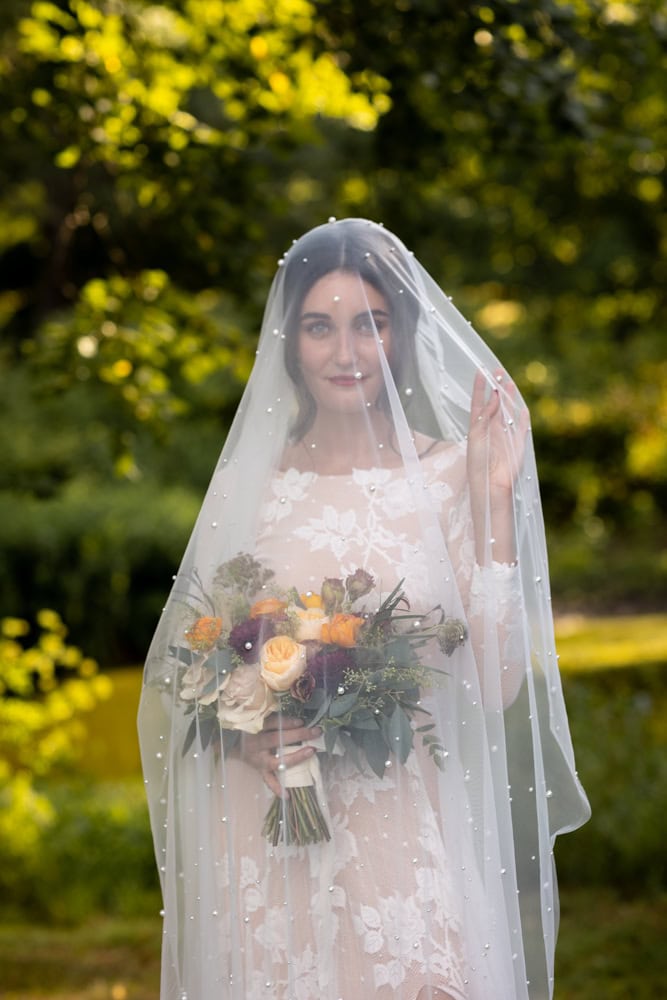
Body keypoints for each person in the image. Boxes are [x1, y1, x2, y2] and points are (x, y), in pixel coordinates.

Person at [138, 219, 590, 1000]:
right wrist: (243, 735)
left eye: (368, 324)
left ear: (397, 332)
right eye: (320, 327)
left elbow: (497, 680)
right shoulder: (254, 491)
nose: (345, 354)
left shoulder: (452, 476)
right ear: (290, 341)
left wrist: (488, 504)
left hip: (400, 833)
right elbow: (189, 678)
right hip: (270, 833)